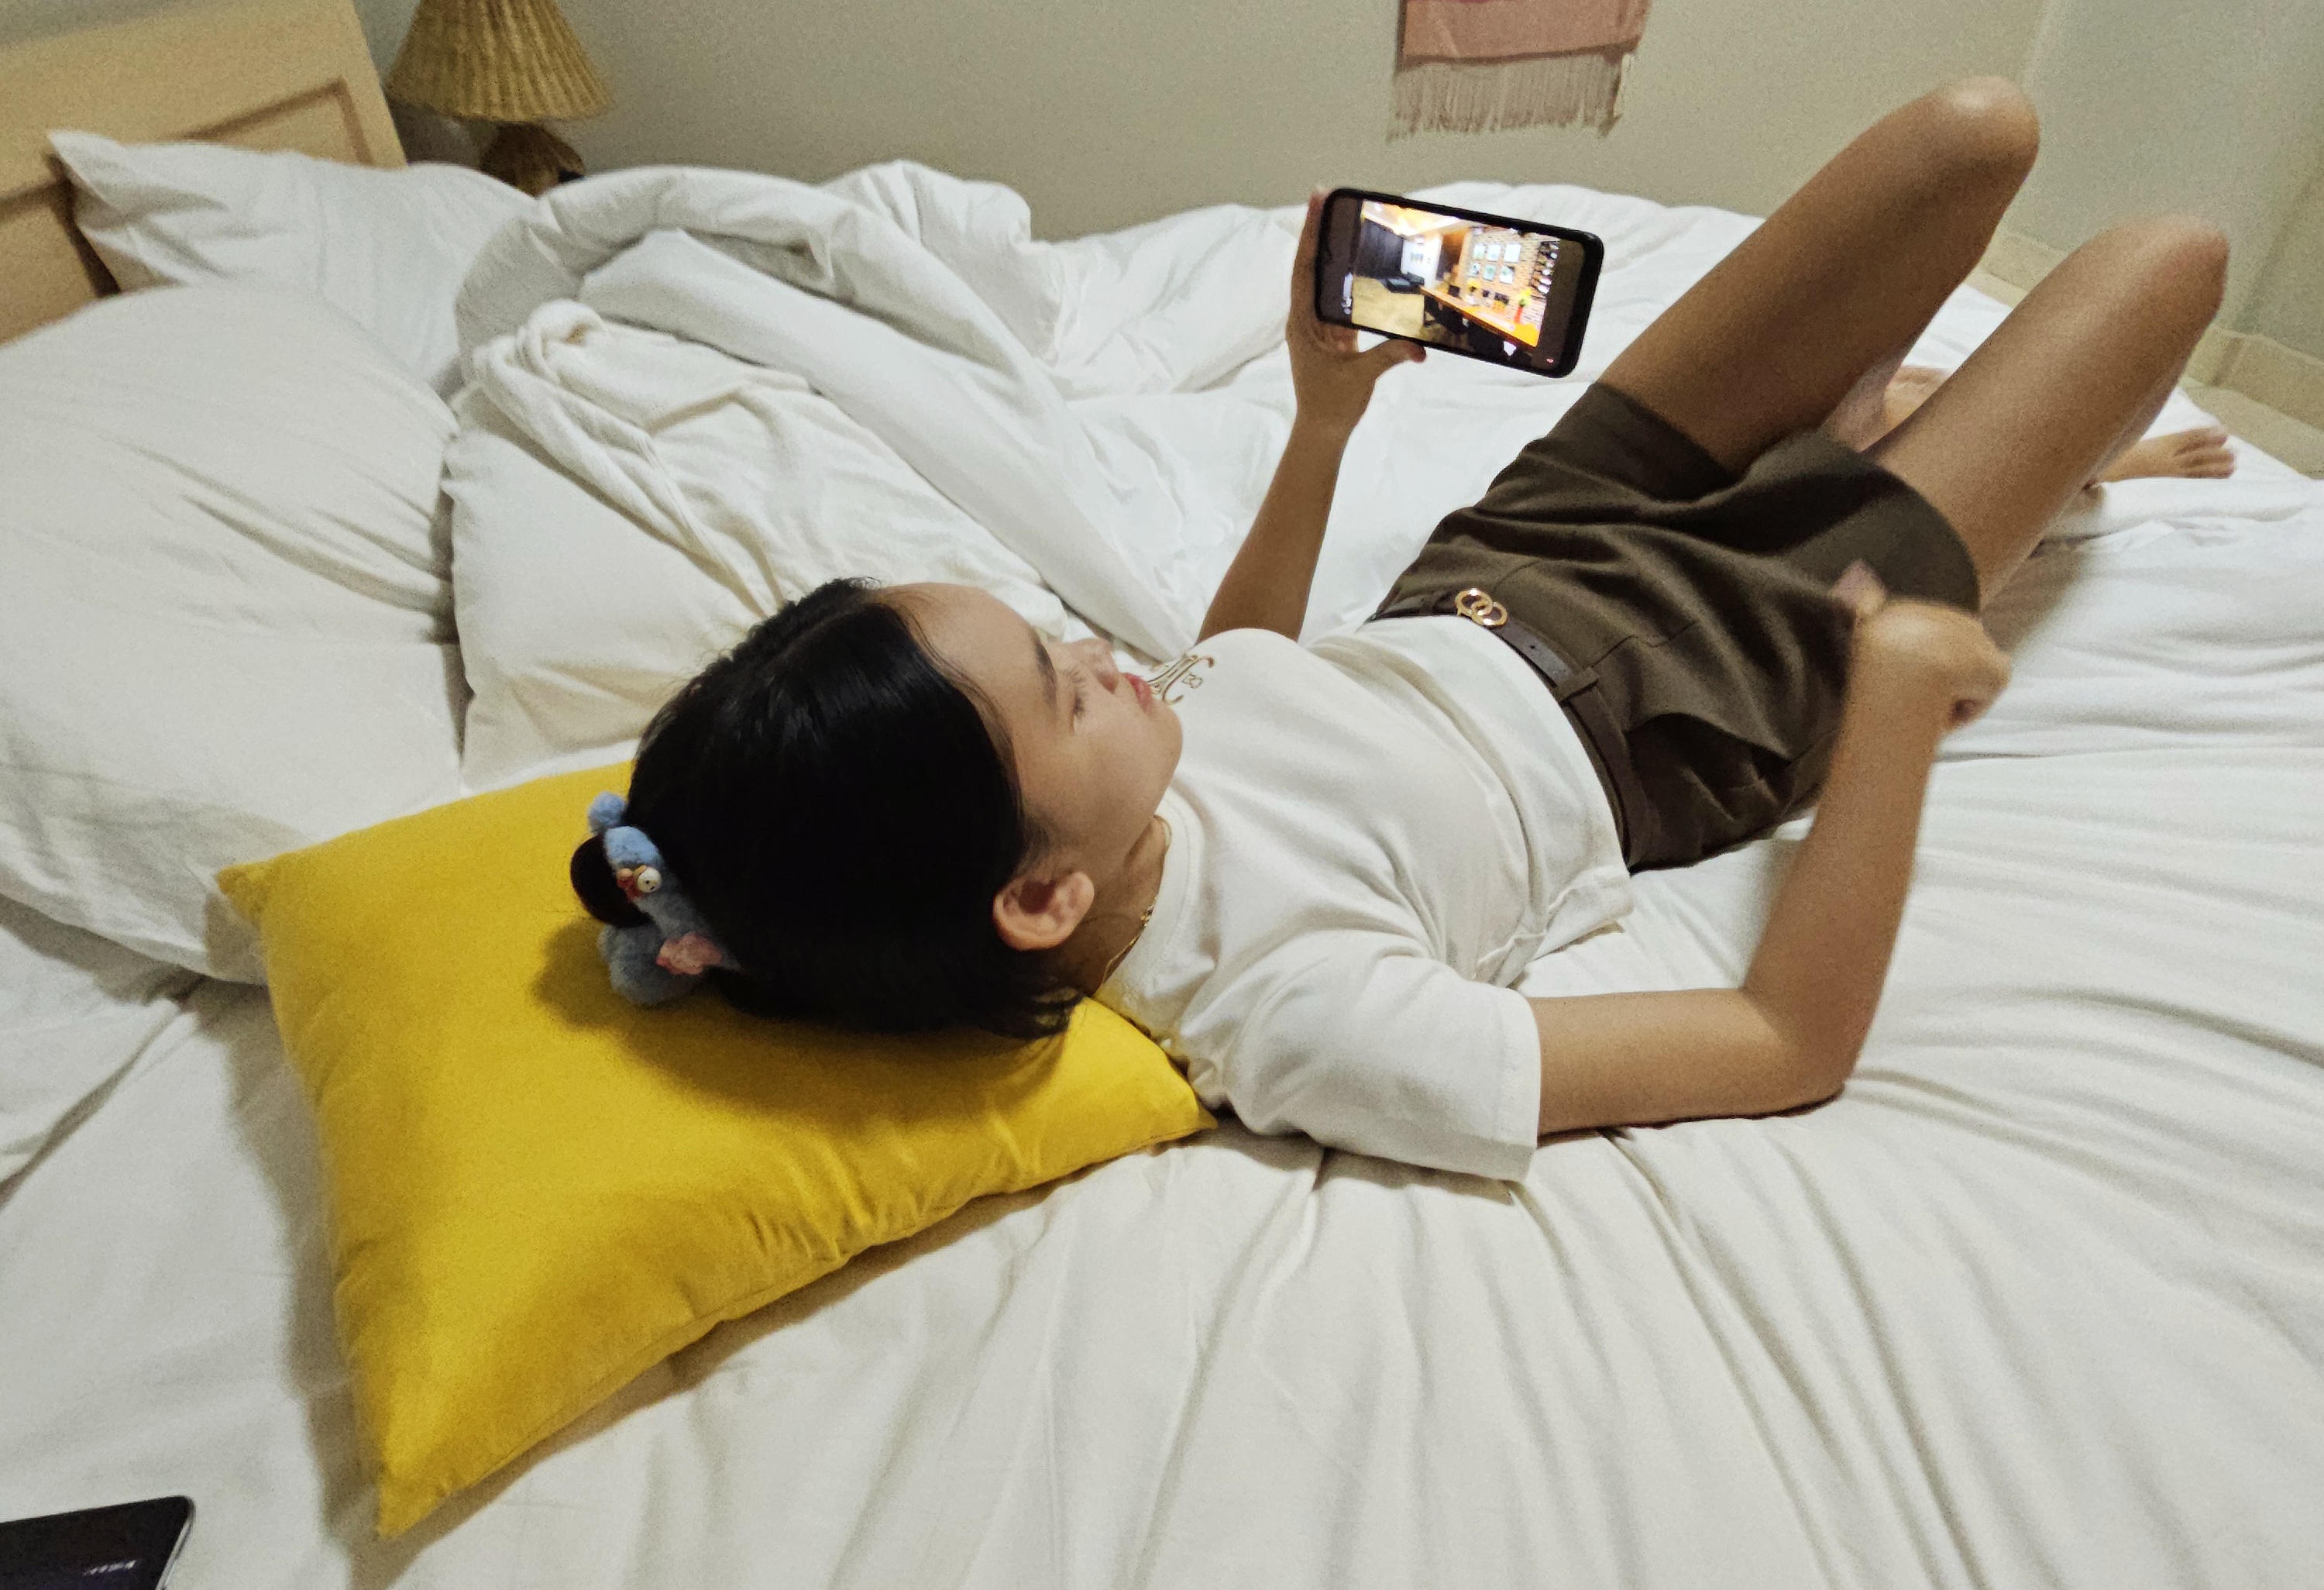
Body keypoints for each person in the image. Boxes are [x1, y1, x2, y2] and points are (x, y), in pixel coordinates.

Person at [571, 78, 2231, 1179]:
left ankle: (1910, 438)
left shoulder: (1105, 793)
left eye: (1048, 637)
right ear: (1039, 899)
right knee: (2173, 255)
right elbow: (1780, 1046)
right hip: (1699, 686)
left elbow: (1237, 674)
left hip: (1517, 549)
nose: (1094, 654)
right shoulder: (1289, 1017)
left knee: (1973, 132)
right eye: (1061, 690)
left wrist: (1321, 422)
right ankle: (1939, 452)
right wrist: (1895, 708)